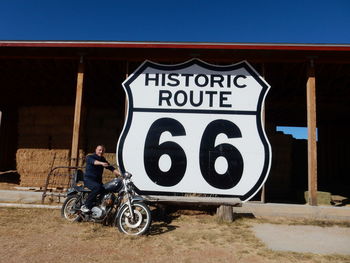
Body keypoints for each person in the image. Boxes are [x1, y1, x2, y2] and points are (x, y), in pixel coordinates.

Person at [81, 145, 120, 213]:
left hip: (98, 181)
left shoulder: (103, 159)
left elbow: (111, 168)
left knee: (107, 191)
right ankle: (86, 205)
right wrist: (101, 163)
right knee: (97, 188)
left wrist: (122, 175)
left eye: (102, 150)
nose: (101, 152)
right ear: (96, 150)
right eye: (99, 150)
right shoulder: (90, 157)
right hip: (89, 180)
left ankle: (99, 207)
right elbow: (94, 162)